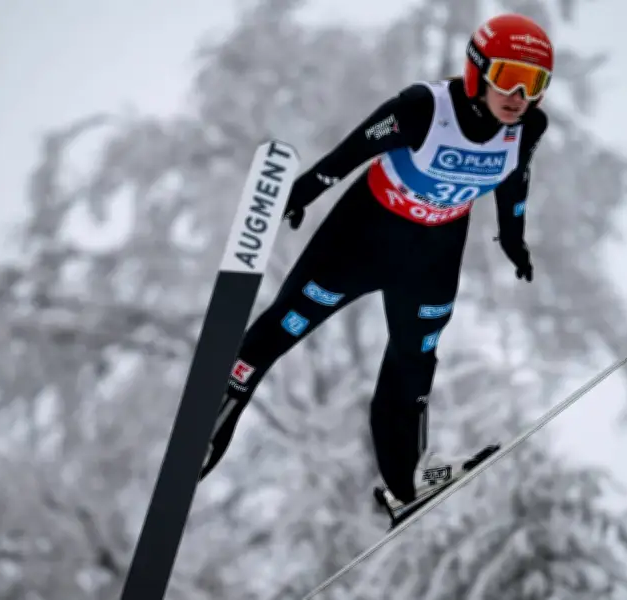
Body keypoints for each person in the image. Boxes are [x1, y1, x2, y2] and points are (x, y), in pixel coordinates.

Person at [199, 13, 554, 513]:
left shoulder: (528, 128)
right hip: (364, 237)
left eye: (534, 82)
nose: (519, 94)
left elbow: (515, 184)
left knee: (414, 367)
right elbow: (349, 154)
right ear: (477, 70)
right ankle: (214, 417)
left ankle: (404, 483)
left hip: (433, 254)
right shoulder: (422, 109)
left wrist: (513, 240)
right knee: (285, 325)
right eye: (508, 76)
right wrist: (300, 194)